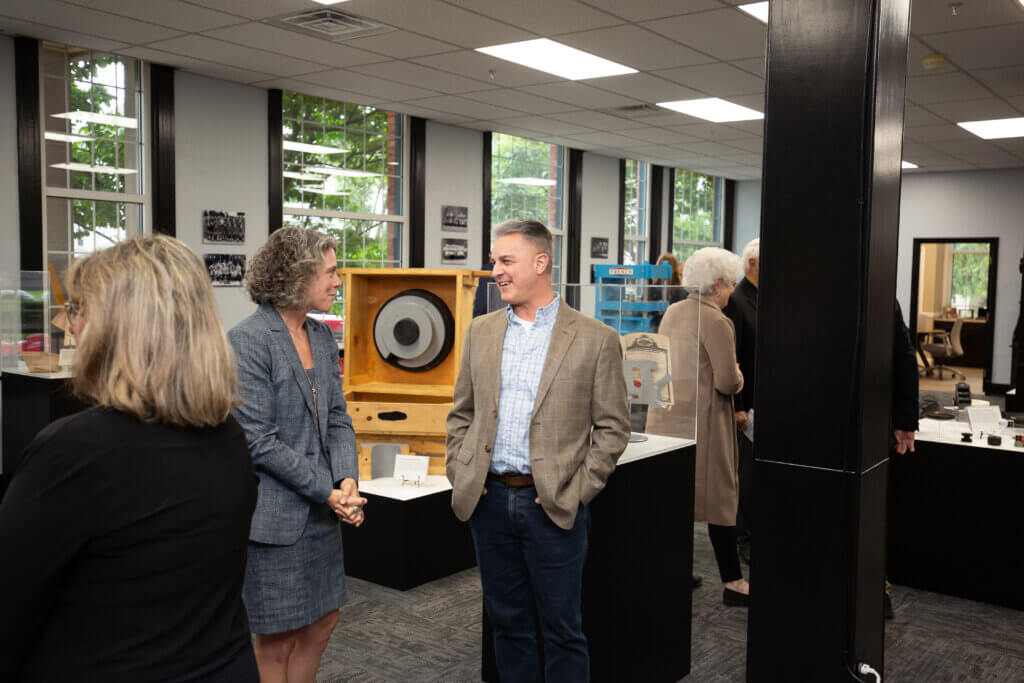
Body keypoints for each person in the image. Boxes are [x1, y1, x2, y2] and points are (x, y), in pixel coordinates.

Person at [0, 236, 259, 681]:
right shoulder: (229, 437)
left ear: (120, 329)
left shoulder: (73, 452)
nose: (68, 325)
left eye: (79, 309)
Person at [446, 219, 630, 682]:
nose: (497, 272)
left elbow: (612, 428)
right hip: (488, 502)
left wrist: (575, 491)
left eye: (506, 261)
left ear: (541, 263)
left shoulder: (594, 338)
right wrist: (461, 470)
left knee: (563, 631)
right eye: (495, 262)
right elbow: (461, 415)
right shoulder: (482, 332)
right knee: (507, 626)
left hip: (551, 506)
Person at [229, 227, 366, 683]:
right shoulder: (248, 340)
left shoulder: (323, 338)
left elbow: (339, 417)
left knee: (323, 623)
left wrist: (347, 479)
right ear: (296, 276)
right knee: (277, 641)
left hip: (324, 514)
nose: (338, 281)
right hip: (276, 521)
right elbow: (259, 441)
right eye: (329, 272)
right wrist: (327, 489)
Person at [646, 246, 750, 606]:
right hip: (706, 424)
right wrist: (738, 373)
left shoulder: (673, 312)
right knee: (722, 501)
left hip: (668, 421)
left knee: (677, 501)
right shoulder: (718, 321)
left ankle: (676, 569)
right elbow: (726, 382)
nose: (732, 291)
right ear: (718, 284)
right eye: (731, 284)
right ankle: (734, 583)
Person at [722, 238, 759, 564]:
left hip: (765, 398)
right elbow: (733, 358)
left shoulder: (766, 297)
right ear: (753, 264)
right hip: (745, 401)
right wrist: (739, 406)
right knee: (744, 475)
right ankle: (743, 538)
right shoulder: (737, 300)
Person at [886, 299, 920, 619]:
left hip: (868, 419)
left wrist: (905, 420)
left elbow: (904, 356)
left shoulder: (882, 295)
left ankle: (875, 588)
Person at [650, 252, 688, 329]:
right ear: (675, 268)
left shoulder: (652, 289)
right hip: (676, 330)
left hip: (655, 330)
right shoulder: (682, 290)